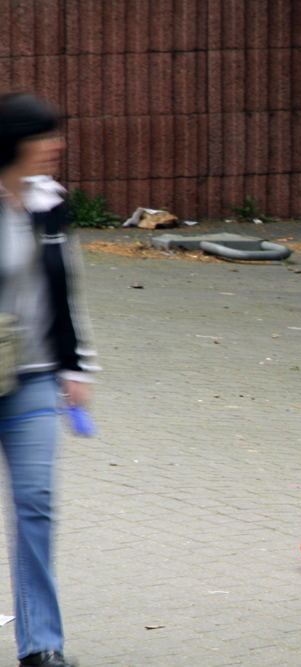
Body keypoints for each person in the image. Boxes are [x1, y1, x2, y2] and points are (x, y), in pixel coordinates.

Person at [0, 93, 98, 667]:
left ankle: (41, 646)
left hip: (33, 377)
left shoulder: (48, 202)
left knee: (35, 503)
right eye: (45, 136)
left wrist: (75, 363)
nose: (56, 145)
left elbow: (66, 286)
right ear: (15, 142)